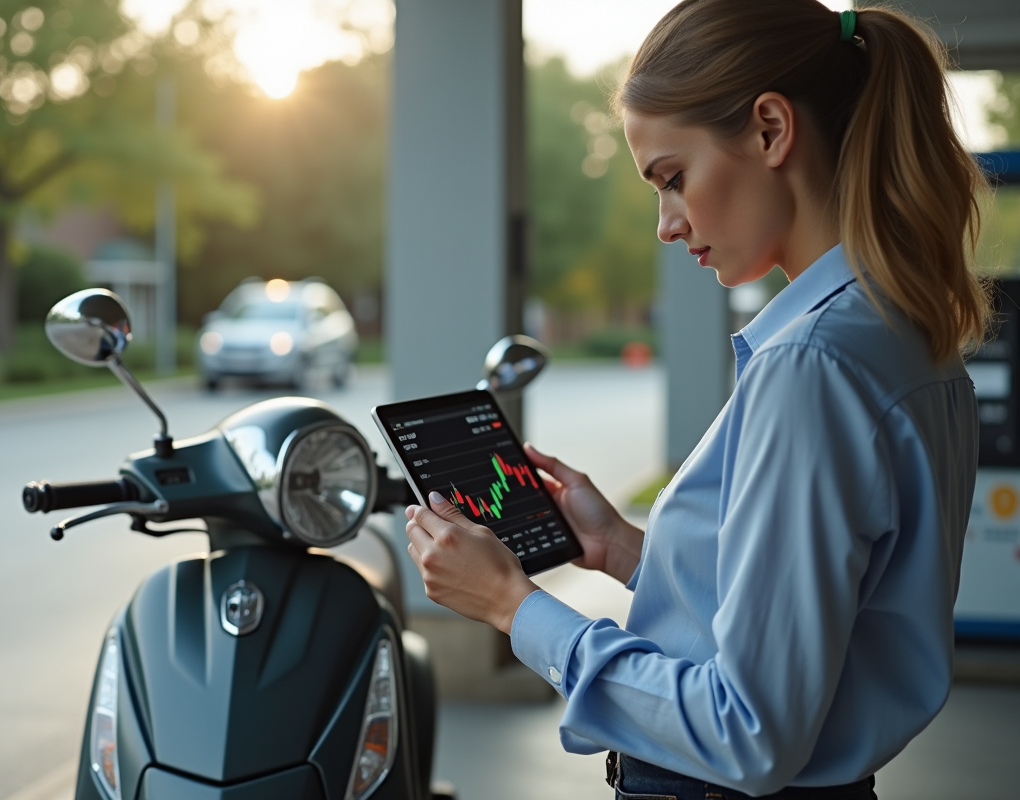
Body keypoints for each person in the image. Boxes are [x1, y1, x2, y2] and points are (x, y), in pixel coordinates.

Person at [403, 1, 989, 798]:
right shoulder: (904, 336)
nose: (665, 226)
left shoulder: (812, 367)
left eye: (673, 179)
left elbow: (746, 731)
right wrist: (621, 550)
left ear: (771, 131)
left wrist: (514, 607)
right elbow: (807, 627)